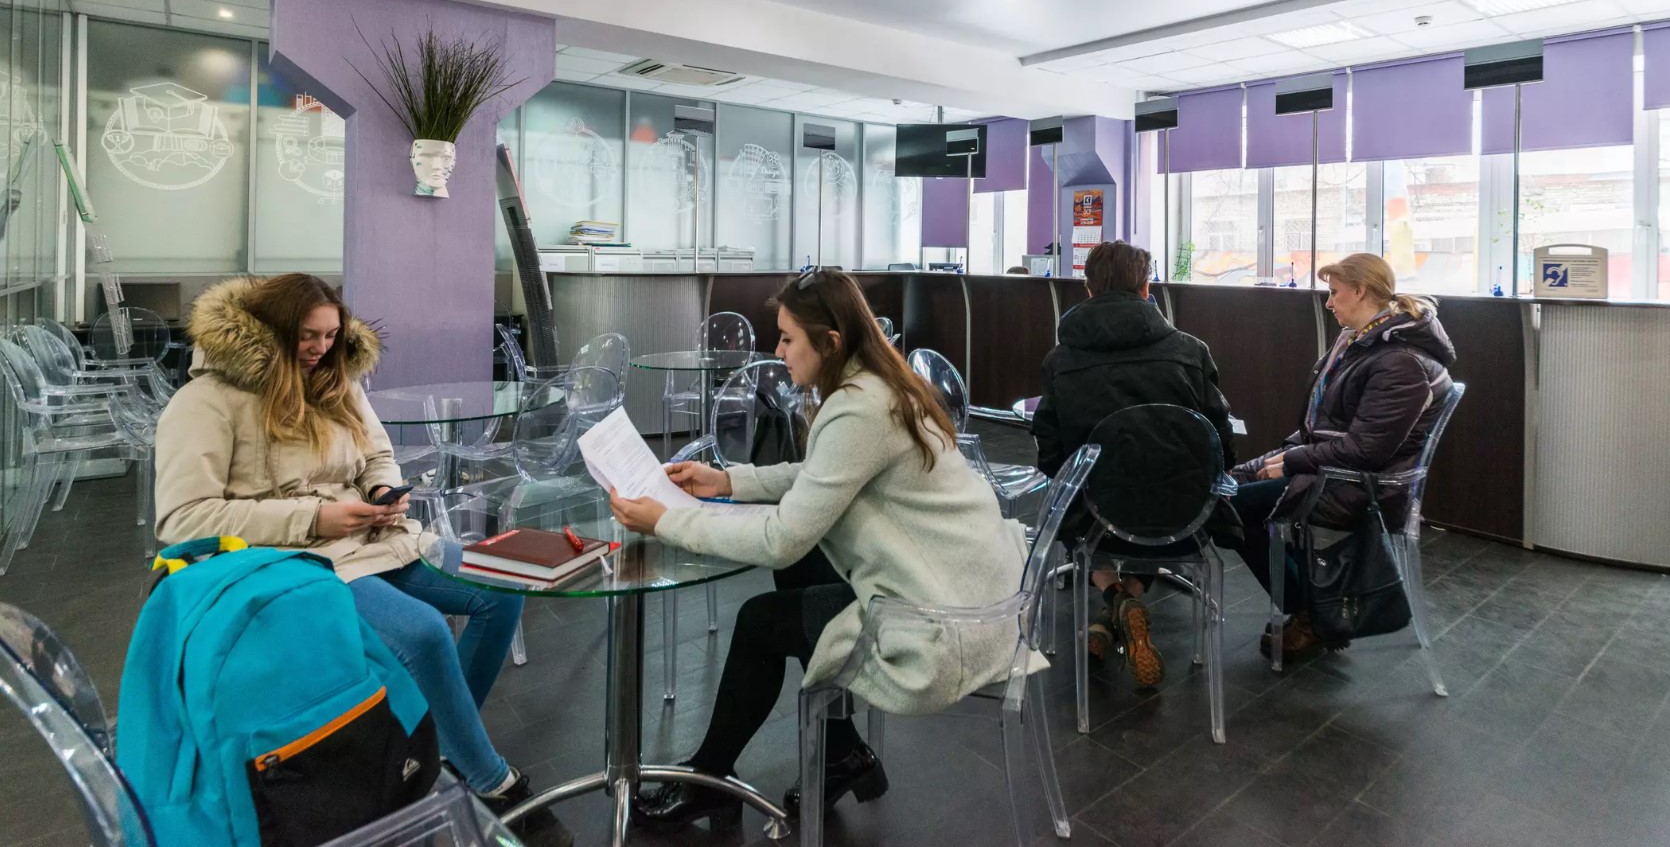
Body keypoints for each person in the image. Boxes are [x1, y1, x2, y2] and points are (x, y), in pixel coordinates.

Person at [154, 274, 572, 847]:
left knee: (502, 588)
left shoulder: (336, 379)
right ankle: (493, 782)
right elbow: (182, 519)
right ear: (269, 329)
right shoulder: (204, 402)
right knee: (424, 633)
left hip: (369, 536)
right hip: (289, 563)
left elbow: (377, 453)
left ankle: (435, 750)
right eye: (307, 336)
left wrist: (380, 491)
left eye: (331, 335)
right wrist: (314, 518)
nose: (320, 348)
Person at [610, 268, 1030, 830]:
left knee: (760, 621)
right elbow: (821, 475)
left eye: (788, 338)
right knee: (803, 571)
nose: (778, 351)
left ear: (830, 342)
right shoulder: (881, 385)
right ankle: (841, 753)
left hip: (941, 622)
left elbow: (780, 538)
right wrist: (729, 481)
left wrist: (667, 521)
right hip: (974, 589)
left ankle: (710, 778)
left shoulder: (858, 409)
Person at [1228, 252, 1455, 662]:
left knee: (1228, 510)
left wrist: (1293, 460)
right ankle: (1315, 608)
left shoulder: (1399, 362)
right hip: (1336, 469)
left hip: (1363, 486)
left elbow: (1366, 450)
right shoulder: (1362, 342)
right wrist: (1286, 454)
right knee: (1230, 486)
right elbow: (1328, 426)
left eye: (1334, 293)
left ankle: (1314, 613)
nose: (1329, 303)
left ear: (1361, 291)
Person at [1031, 240, 1233, 686]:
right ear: (1146, 288)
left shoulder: (1060, 360)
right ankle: (1129, 599)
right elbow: (1220, 444)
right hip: (1183, 514)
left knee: (1072, 500)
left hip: (1094, 517)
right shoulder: (1191, 352)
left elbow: (1051, 454)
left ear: (1088, 289)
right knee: (1157, 496)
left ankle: (1114, 598)